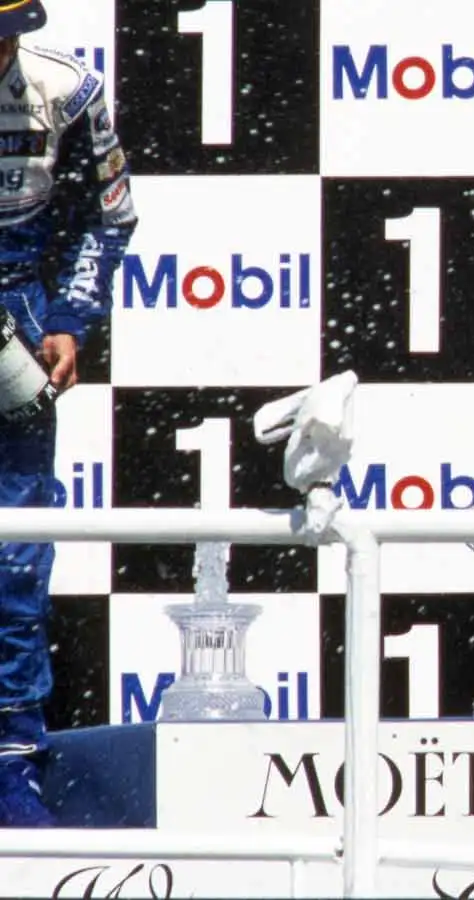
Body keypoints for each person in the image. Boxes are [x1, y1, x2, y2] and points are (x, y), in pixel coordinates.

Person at [0, 0, 138, 826]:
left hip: (14, 319)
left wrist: (68, 321)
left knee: (14, 548)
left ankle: (11, 757)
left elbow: (109, 215)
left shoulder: (69, 89)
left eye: (9, 31)